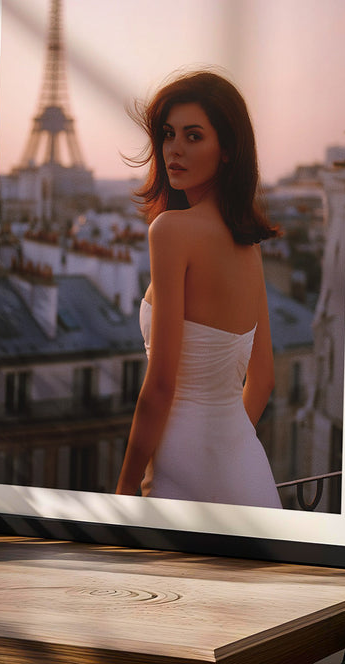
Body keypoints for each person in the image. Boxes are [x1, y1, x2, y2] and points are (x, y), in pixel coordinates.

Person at [115, 69, 282, 508]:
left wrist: (123, 494)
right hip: (247, 467)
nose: (174, 149)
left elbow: (160, 386)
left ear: (227, 150)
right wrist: (224, 448)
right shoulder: (249, 243)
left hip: (179, 464)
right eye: (169, 134)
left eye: (193, 136)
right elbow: (262, 380)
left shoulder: (171, 230)